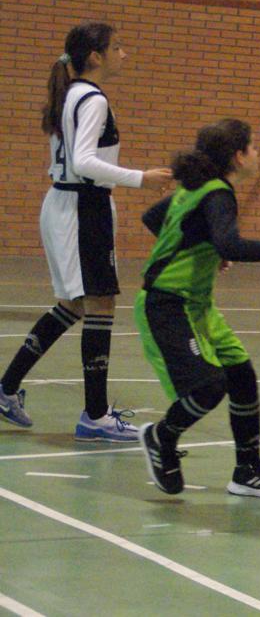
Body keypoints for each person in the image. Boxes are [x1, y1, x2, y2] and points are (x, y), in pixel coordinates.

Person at [134, 119, 260, 501]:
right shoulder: (218, 193)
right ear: (238, 156)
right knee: (209, 385)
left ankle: (247, 470)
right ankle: (161, 437)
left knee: (241, 374)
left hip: (197, 304)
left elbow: (153, 218)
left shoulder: (197, 188)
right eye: (254, 147)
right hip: (167, 304)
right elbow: (231, 245)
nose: (256, 153)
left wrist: (198, 244)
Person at [0, 22, 171, 439]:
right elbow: (83, 162)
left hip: (68, 204)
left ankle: (5, 389)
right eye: (118, 47)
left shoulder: (72, 94)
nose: (124, 54)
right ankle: (94, 416)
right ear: (95, 56)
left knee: (76, 305)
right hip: (81, 205)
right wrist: (140, 178)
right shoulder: (91, 98)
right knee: (99, 305)